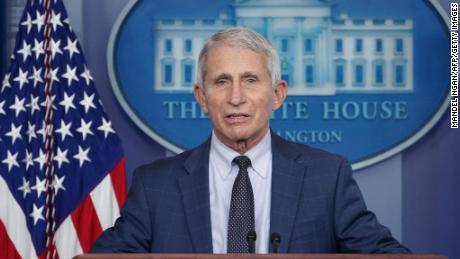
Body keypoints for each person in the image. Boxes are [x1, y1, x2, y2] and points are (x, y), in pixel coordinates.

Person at [91, 27, 410, 254]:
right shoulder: (154, 185)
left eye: (250, 80)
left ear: (277, 94)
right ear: (202, 98)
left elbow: (380, 253)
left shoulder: (327, 177)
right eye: (221, 82)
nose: (236, 97)